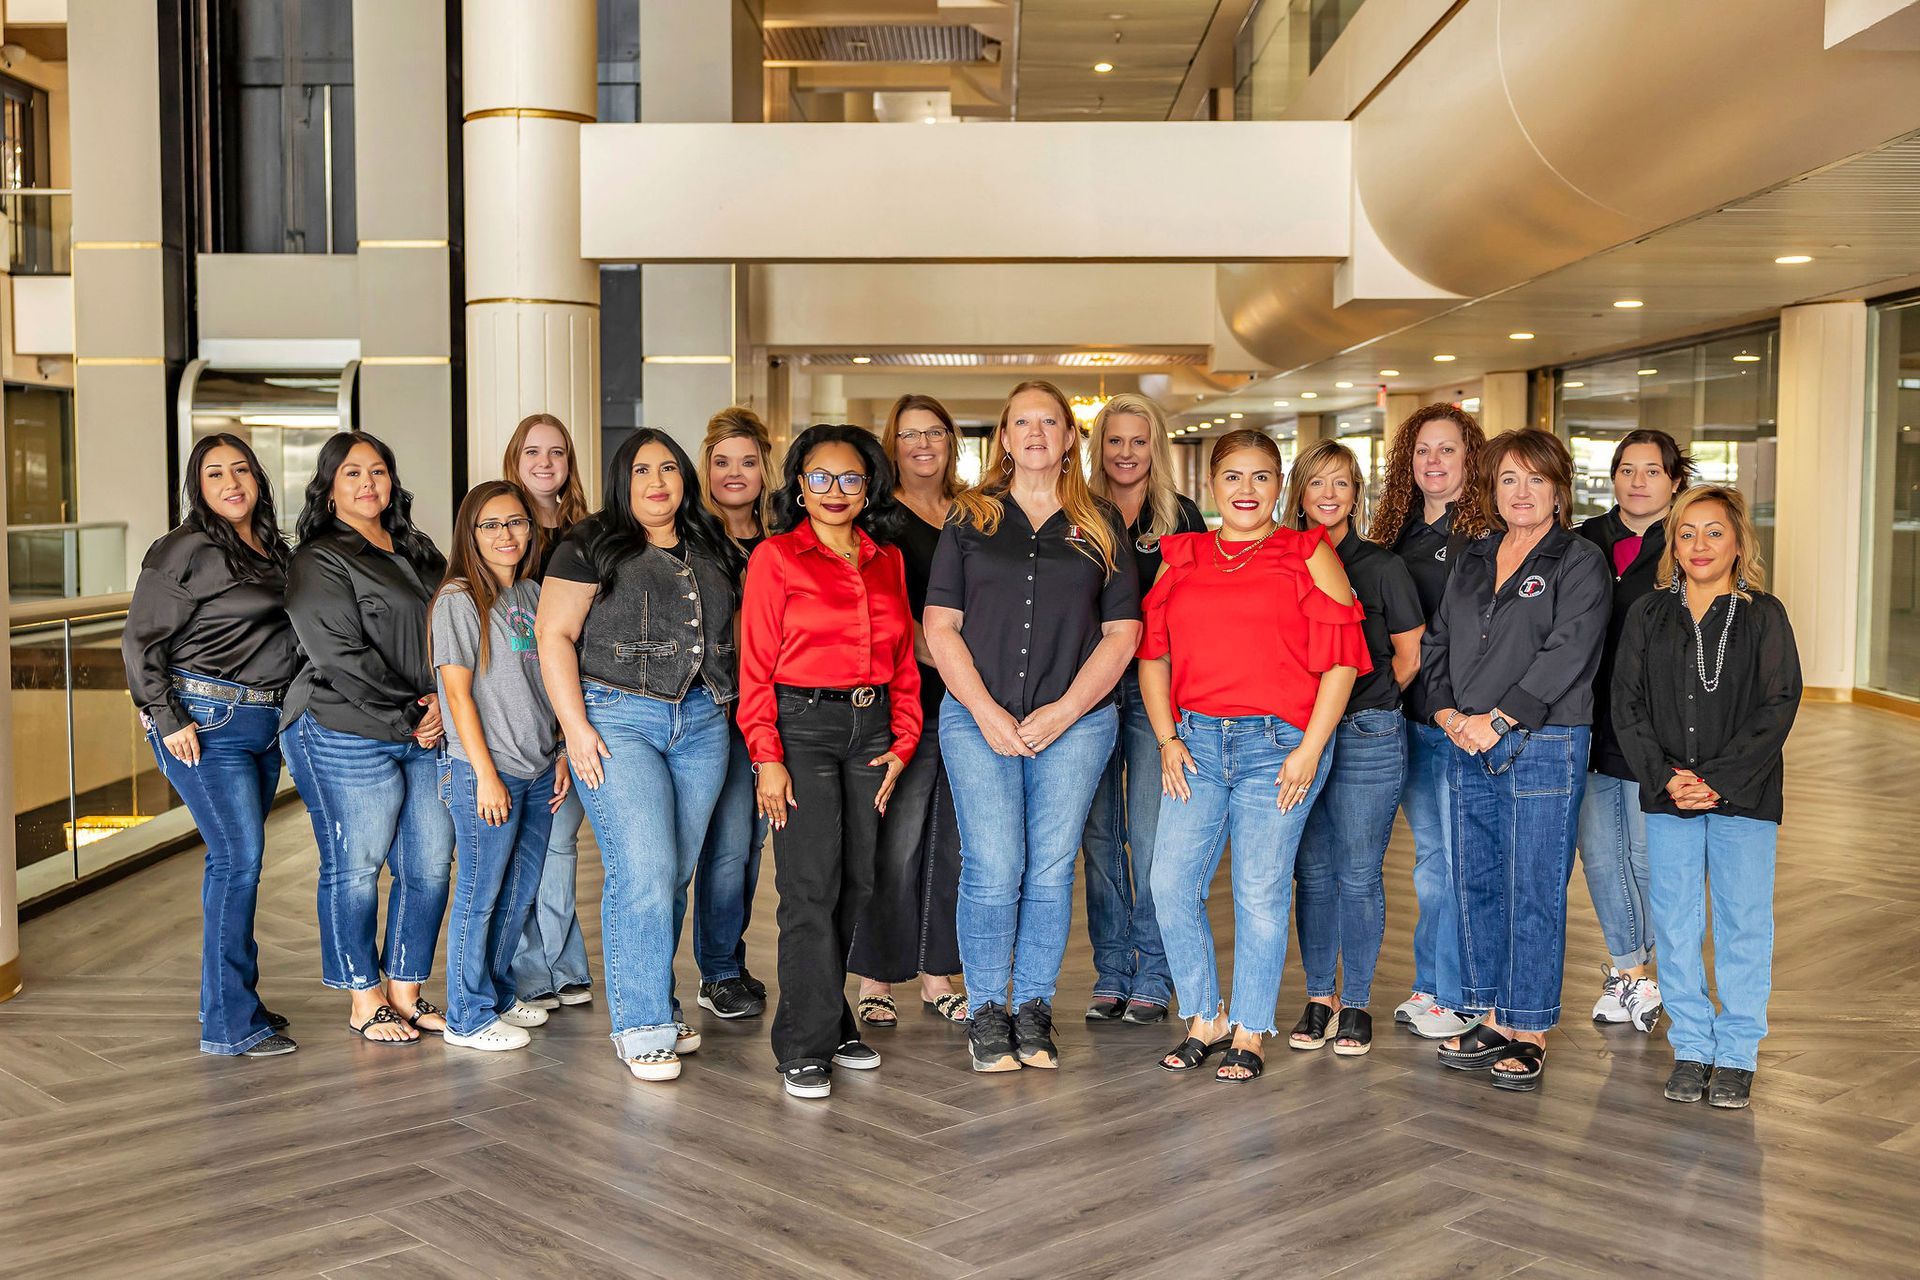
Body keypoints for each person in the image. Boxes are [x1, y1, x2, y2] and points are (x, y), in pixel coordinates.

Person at [924, 379, 1141, 1073]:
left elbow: (1122, 632)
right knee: (993, 866)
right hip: (975, 719)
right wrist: (986, 711)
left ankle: (1033, 1009)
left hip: (1074, 726)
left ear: (1070, 437)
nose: (1037, 433)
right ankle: (988, 1010)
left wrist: (1066, 710)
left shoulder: (1102, 522)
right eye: (1022, 422)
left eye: (1050, 422)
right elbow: (940, 627)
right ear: (1005, 436)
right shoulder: (970, 520)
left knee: (1048, 871)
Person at [1143, 430, 1370, 1084]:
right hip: (1196, 743)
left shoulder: (1308, 551)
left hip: (1278, 746)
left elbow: (1341, 661)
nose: (1247, 490)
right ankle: (1203, 1016)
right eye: (1234, 477)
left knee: (1260, 891)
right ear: (1211, 485)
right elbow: (1153, 651)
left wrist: (1310, 748)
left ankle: (1248, 1027)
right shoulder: (1181, 554)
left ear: (1281, 487)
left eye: (1262, 477)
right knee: (1170, 884)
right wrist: (1166, 737)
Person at [535, 429, 744, 1082]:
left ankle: (656, 997)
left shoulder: (711, 542)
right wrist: (575, 727)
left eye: (668, 468)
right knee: (645, 867)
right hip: (617, 720)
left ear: (684, 477)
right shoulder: (589, 543)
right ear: (622, 480)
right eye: (641, 470)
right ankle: (640, 1023)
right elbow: (554, 635)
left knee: (674, 870)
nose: (657, 481)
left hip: (705, 721)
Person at [1426, 429, 1610, 1092]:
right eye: (1509, 479)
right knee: (1476, 882)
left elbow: (1570, 652)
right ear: (1493, 490)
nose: (1522, 492)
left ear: (1560, 489)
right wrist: (1448, 714)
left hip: (1543, 742)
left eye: (1535, 479)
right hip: (1463, 740)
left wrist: (1499, 718)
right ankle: (1495, 1015)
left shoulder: (1579, 560)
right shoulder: (1474, 556)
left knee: (1533, 886)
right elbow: (1439, 642)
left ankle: (1528, 1027)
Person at [740, 425, 921, 1098]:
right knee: (809, 888)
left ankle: (831, 1015)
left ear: (868, 485)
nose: (835, 492)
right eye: (820, 478)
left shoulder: (889, 560)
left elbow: (904, 661)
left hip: (871, 729)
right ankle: (804, 1042)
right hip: (802, 727)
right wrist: (768, 756)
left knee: (857, 884)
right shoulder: (776, 558)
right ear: (798, 486)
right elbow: (756, 666)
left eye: (850, 479)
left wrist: (903, 741)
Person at [1612, 486, 1800, 1110]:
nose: (1699, 544)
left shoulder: (1764, 615)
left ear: (1738, 542)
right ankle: (1692, 1046)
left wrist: (1716, 778)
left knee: (1744, 923)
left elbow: (1779, 704)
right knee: (1675, 922)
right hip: (1668, 796)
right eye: (1687, 533)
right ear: (1673, 545)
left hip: (1744, 796)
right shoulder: (1646, 615)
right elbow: (1627, 705)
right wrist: (1667, 777)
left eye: (1714, 532)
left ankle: (1738, 1052)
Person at [123, 433, 303, 1057]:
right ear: (197, 487)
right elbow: (140, 640)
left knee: (239, 864)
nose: (231, 483)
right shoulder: (183, 549)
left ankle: (234, 1001)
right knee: (238, 858)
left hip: (263, 724)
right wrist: (163, 713)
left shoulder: (273, 550)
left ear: (258, 479)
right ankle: (228, 1025)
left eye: (242, 470)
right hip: (204, 724)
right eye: (215, 474)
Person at [279, 431, 452, 1044]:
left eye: (378, 471)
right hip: (344, 728)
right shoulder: (319, 559)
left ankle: (406, 988)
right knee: (356, 866)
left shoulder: (419, 550)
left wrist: (440, 705)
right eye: (352, 474)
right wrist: (411, 711)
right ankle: (363, 995)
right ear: (328, 489)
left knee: (430, 863)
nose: (368, 483)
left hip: (426, 728)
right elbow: (339, 656)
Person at [1284, 441, 1425, 1058]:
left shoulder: (1382, 565)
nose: (1329, 495)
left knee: (1359, 873)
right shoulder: (1280, 559)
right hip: (1292, 735)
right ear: (1300, 493)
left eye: (1341, 484)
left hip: (1368, 731)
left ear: (1355, 494)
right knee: (1310, 872)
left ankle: (1358, 1001)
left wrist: (1364, 699)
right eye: (1317, 484)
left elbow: (1410, 655)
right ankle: (1320, 997)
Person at [1080, 393, 1207, 1025]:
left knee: (1156, 839)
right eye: (1115, 441)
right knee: (1102, 839)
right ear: (1097, 447)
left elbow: (1199, 607)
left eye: (1138, 440)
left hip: (1160, 692)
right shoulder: (1076, 514)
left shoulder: (1180, 516)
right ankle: (1112, 970)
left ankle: (1154, 972)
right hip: (1091, 691)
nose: (1126, 453)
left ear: (1154, 446)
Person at [433, 481, 570, 1053]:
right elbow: (458, 697)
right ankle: (466, 1015)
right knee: (480, 894)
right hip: (485, 773)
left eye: (515, 522)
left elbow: (554, 683)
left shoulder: (536, 595)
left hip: (538, 769)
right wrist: (486, 775)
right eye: (490, 525)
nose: (505, 534)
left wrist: (561, 751)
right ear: (470, 533)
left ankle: (497, 991)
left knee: (520, 890)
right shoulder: (459, 600)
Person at [1369, 404, 1490, 1040]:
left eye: (1447, 450)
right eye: (1422, 451)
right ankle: (1435, 983)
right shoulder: (1395, 534)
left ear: (1471, 457)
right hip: (1406, 719)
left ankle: (1458, 990)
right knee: (1431, 861)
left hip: (1461, 723)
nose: (1433, 462)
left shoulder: (1488, 536)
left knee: (1454, 861)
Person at [850, 395, 969, 1026]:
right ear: (891, 445)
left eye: (934, 433)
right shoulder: (878, 519)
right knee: (894, 841)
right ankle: (876, 975)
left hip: (976, 700)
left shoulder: (976, 511)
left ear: (951, 441)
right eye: (908, 435)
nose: (922, 444)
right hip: (907, 695)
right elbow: (887, 615)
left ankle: (936, 971)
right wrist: (952, 665)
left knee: (951, 842)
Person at [1575, 428, 1692, 1033]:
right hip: (1587, 719)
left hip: (1659, 727)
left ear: (1675, 480)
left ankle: (1658, 976)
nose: (1637, 481)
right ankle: (1630, 971)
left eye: (1652, 471)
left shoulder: (1690, 542)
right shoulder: (1585, 541)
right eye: (1627, 469)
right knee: (1600, 855)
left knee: (1648, 858)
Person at [501, 413, 596, 1014]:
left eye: (556, 452)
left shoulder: (590, 535)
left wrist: (570, 733)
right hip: (512, 715)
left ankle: (556, 964)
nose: (544, 463)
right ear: (514, 459)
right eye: (532, 452)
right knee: (521, 848)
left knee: (559, 843)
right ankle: (536, 969)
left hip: (574, 706)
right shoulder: (496, 530)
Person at [693, 406, 777, 1019]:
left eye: (747, 461)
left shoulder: (782, 539)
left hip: (771, 707)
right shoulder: (691, 539)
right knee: (724, 846)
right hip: (712, 708)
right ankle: (717, 970)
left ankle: (729, 957)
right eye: (722, 462)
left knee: (749, 847)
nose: (734, 474)